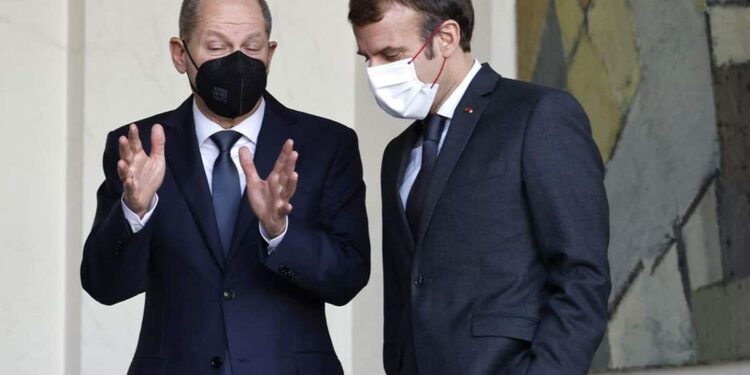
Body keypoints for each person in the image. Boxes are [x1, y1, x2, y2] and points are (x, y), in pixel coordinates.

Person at [81, 0, 370, 373]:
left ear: (270, 52)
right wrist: (135, 211)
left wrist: (279, 233)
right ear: (180, 54)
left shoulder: (327, 145)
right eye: (216, 47)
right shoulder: (138, 147)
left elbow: (347, 278)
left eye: (252, 48)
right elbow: (104, 286)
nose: (237, 62)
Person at [349, 0, 610, 374]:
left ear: (447, 37)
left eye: (391, 54)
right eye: (367, 57)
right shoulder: (398, 154)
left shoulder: (539, 115)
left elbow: (582, 275)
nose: (376, 72)